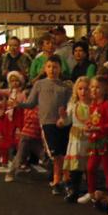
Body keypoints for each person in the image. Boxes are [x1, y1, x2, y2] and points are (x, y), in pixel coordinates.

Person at [18, 55, 72, 194]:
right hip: (47, 122)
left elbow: (71, 106)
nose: (52, 70)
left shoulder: (65, 87)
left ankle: (63, 180)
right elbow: (31, 103)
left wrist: (65, 116)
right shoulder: (39, 84)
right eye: (49, 67)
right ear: (44, 68)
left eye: (55, 67)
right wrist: (18, 104)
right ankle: (57, 180)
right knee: (54, 153)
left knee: (64, 152)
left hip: (63, 123)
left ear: (60, 69)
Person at [80, 76, 108, 204]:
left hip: (104, 141)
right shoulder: (94, 105)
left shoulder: (106, 104)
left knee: (107, 168)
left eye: (97, 87)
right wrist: (89, 126)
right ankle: (91, 192)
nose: (94, 90)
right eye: (92, 87)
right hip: (95, 141)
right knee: (90, 167)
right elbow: (94, 120)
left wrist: (98, 128)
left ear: (105, 89)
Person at [61, 77, 91, 201]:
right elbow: (67, 120)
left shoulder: (94, 106)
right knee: (76, 166)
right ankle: (74, 190)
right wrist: (62, 119)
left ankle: (91, 190)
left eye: (86, 89)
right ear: (76, 90)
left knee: (89, 165)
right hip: (76, 139)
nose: (83, 92)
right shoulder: (73, 105)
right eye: (80, 89)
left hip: (90, 137)